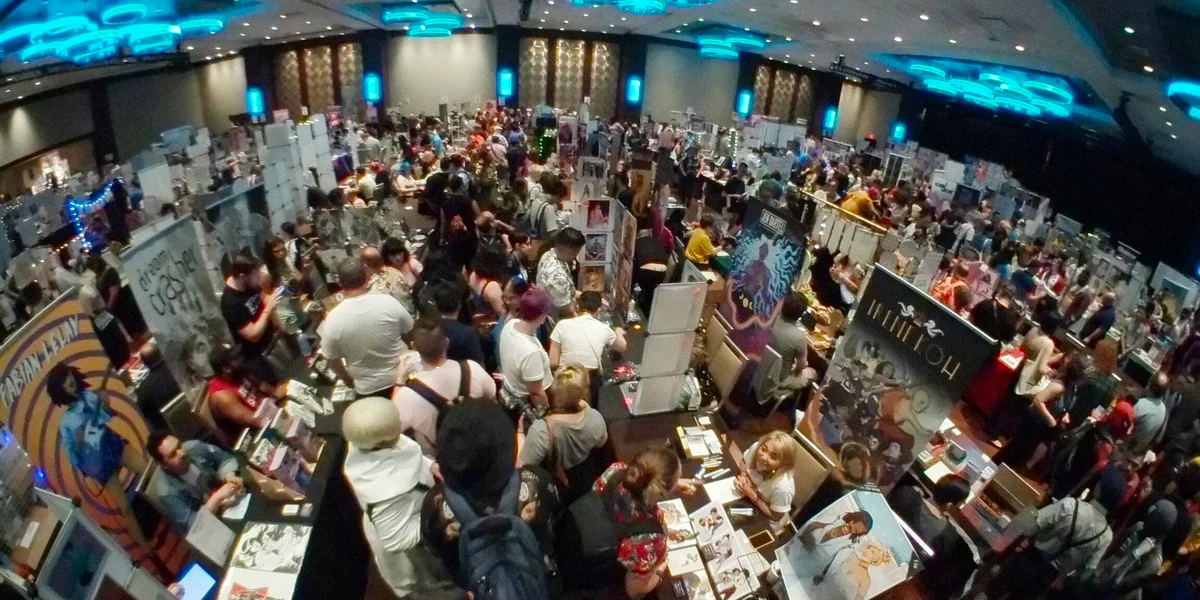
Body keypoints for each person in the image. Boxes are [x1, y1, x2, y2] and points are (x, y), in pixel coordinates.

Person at [421, 398, 558, 596]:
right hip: (536, 581)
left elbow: (440, 557)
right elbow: (555, 523)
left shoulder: (435, 504)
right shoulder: (536, 481)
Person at [341, 397, 457, 598]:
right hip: (412, 540)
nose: (400, 422)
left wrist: (428, 465)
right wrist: (437, 521)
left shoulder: (368, 443)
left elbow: (405, 451)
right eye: (396, 422)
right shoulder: (386, 493)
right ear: (383, 440)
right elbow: (397, 540)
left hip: (413, 506)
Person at [981, 464, 1124, 600]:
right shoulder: (1106, 535)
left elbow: (1033, 526)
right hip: (1049, 576)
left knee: (992, 593)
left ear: (1099, 489)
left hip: (1030, 558)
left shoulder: (1071, 505)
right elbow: (1087, 571)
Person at [392, 318, 496, 454]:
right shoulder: (472, 369)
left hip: (440, 460)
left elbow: (392, 426)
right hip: (479, 449)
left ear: (414, 347)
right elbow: (492, 399)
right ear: (447, 343)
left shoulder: (406, 395)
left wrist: (399, 380)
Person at [319, 257, 414, 398]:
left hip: (368, 387)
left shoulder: (332, 319)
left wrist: (346, 378)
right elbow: (410, 332)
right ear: (367, 277)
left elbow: (332, 359)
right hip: (402, 376)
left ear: (339, 283)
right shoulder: (388, 302)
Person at [517, 365, 610, 504]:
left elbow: (521, 469)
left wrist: (520, 435)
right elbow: (601, 442)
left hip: (556, 487)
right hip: (584, 484)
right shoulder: (595, 418)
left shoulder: (541, 430)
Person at [145, 431, 243, 533]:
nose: (182, 453)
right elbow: (192, 525)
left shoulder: (194, 447)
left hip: (230, 501)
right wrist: (217, 498)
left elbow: (223, 458)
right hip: (210, 527)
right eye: (173, 454)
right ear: (164, 465)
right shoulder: (166, 492)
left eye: (179, 446)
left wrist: (229, 475)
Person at [549, 291, 627, 400]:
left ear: (577, 306)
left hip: (565, 377)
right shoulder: (604, 329)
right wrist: (618, 332)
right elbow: (621, 346)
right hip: (589, 380)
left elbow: (553, 362)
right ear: (598, 309)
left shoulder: (561, 325)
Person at [220, 254, 283, 385]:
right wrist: (268, 309)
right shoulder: (230, 303)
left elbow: (264, 298)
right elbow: (253, 334)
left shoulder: (250, 285)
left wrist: (280, 325)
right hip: (259, 356)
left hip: (274, 341)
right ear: (242, 276)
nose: (258, 278)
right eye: (255, 275)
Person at [206, 344, 283, 442]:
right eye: (235, 358)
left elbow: (270, 391)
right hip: (255, 436)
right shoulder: (222, 396)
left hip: (269, 413)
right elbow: (256, 422)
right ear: (226, 369)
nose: (241, 359)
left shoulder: (239, 372)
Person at [498, 287, 554, 417]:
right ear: (541, 315)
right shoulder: (530, 352)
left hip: (510, 394)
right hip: (527, 404)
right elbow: (536, 393)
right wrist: (548, 414)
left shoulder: (511, 324)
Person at [889, 475, 971, 554]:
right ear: (950, 504)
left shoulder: (906, 494)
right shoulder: (948, 534)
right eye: (962, 502)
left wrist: (914, 493)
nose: (963, 503)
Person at [734, 431, 801, 521]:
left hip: (765, 518)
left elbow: (776, 517)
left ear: (783, 464)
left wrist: (752, 495)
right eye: (764, 449)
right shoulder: (756, 448)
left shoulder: (783, 487)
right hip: (746, 500)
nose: (763, 457)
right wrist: (744, 475)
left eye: (773, 457)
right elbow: (743, 461)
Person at [426, 280, 486, 365]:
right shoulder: (468, 333)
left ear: (435, 305)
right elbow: (479, 365)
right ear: (459, 304)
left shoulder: (428, 330)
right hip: (463, 375)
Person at [134, 341, 182, 432]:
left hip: (171, 432)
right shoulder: (178, 367)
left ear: (144, 363)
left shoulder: (144, 389)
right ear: (160, 353)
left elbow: (144, 415)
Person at [537, 227, 585, 315]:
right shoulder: (556, 276)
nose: (575, 256)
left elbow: (571, 290)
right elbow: (566, 311)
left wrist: (587, 297)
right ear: (569, 250)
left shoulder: (549, 255)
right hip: (556, 318)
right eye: (576, 253)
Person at [1130, 372, 1169, 455]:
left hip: (1126, 448)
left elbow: (1124, 424)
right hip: (1139, 452)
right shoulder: (1164, 410)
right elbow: (1158, 439)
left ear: (1151, 386)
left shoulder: (1141, 405)